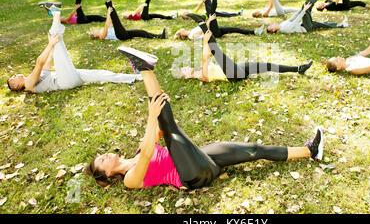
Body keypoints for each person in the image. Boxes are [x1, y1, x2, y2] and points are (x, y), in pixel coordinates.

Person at [84, 46, 325, 189]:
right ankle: (144, 68)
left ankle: (309, 151)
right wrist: (153, 115)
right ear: (106, 173)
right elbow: (149, 151)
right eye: (102, 161)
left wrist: (158, 112)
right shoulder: (129, 180)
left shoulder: (136, 151)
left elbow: (156, 133)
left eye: (101, 155)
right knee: (170, 128)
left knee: (253, 149)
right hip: (190, 175)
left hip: (200, 157)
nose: (105, 156)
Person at [6, 5, 143, 93]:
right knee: (56, 41)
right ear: (17, 86)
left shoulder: (33, 77)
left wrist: (52, 47)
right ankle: (56, 14)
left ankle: (134, 78)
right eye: (13, 79)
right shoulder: (29, 85)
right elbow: (39, 62)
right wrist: (51, 44)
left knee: (102, 73)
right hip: (64, 81)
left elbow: (47, 63)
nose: (14, 76)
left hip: (71, 76)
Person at [178, 16, 313, 82]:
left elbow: (206, 57)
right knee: (218, 52)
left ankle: (298, 69)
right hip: (231, 75)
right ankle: (201, 23)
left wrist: (206, 43)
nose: (185, 67)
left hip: (237, 69)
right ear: (186, 76)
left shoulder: (199, 70)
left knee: (267, 65)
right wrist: (206, 42)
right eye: (183, 70)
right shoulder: (199, 77)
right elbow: (206, 61)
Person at [175, 0, 264, 40]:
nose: (180, 29)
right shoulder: (191, 36)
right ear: (182, 34)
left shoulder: (191, 32)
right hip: (213, 32)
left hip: (215, 32)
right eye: (179, 31)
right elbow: (204, 32)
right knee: (211, 12)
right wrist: (209, 21)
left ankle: (254, 32)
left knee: (234, 29)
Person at [267, 0, 348, 34]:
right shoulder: (284, 30)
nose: (271, 24)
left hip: (305, 24)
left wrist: (300, 10)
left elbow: (292, 18)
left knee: (323, 24)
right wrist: (304, 10)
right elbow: (295, 21)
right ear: (274, 30)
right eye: (270, 27)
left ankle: (342, 25)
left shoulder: (282, 25)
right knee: (306, 5)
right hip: (306, 27)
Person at [90, 0, 167, 41]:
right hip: (120, 36)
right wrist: (108, 12)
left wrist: (111, 9)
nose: (95, 30)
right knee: (116, 21)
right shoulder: (101, 36)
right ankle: (108, 0)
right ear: (95, 35)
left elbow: (110, 22)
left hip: (124, 33)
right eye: (93, 32)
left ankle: (160, 36)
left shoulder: (104, 31)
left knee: (141, 32)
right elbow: (107, 25)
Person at [38, 0, 106, 25]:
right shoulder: (66, 21)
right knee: (78, 6)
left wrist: (77, 13)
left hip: (83, 19)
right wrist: (76, 9)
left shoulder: (67, 19)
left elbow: (74, 16)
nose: (62, 16)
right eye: (61, 18)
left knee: (96, 17)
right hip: (81, 20)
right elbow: (71, 15)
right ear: (61, 20)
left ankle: (106, 19)